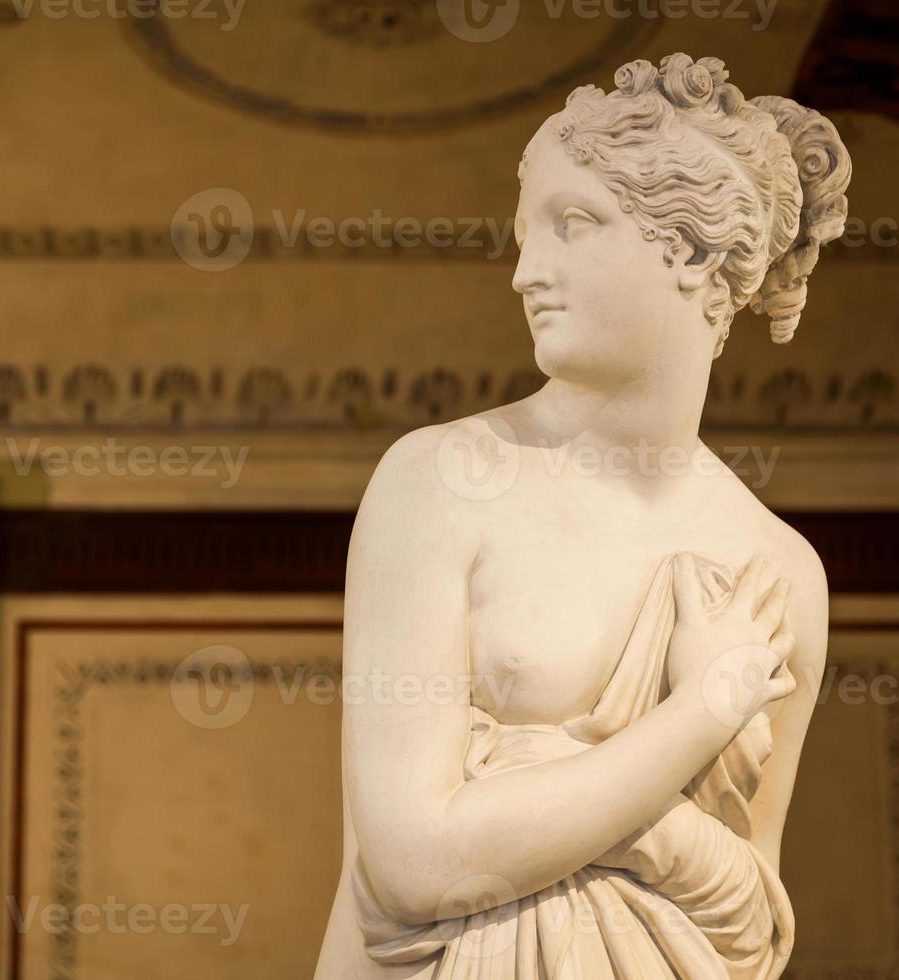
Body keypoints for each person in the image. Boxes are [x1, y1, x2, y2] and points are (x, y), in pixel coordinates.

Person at [316, 53, 852, 979]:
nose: (526, 273)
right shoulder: (441, 481)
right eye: (525, 235)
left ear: (689, 250)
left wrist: (533, 798)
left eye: (573, 226)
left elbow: (753, 926)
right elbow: (414, 867)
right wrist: (702, 713)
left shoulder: (781, 571)